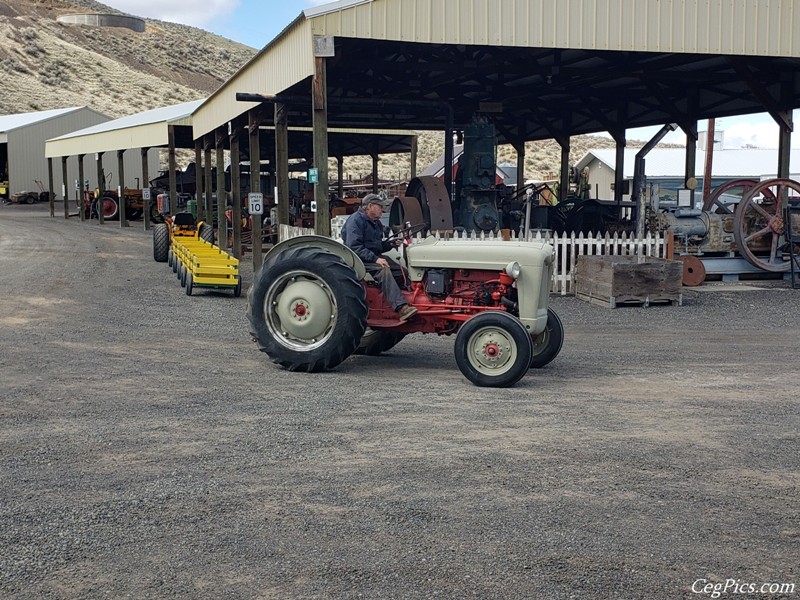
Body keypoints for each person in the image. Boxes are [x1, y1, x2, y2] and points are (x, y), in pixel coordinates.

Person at [341, 194, 419, 321]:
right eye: (380, 207)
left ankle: (413, 298)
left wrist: (390, 244)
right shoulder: (355, 221)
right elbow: (354, 246)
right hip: (358, 259)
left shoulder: (375, 223)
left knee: (401, 271)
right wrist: (375, 259)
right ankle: (401, 308)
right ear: (370, 206)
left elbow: (376, 246)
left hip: (371, 256)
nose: (382, 210)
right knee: (383, 270)